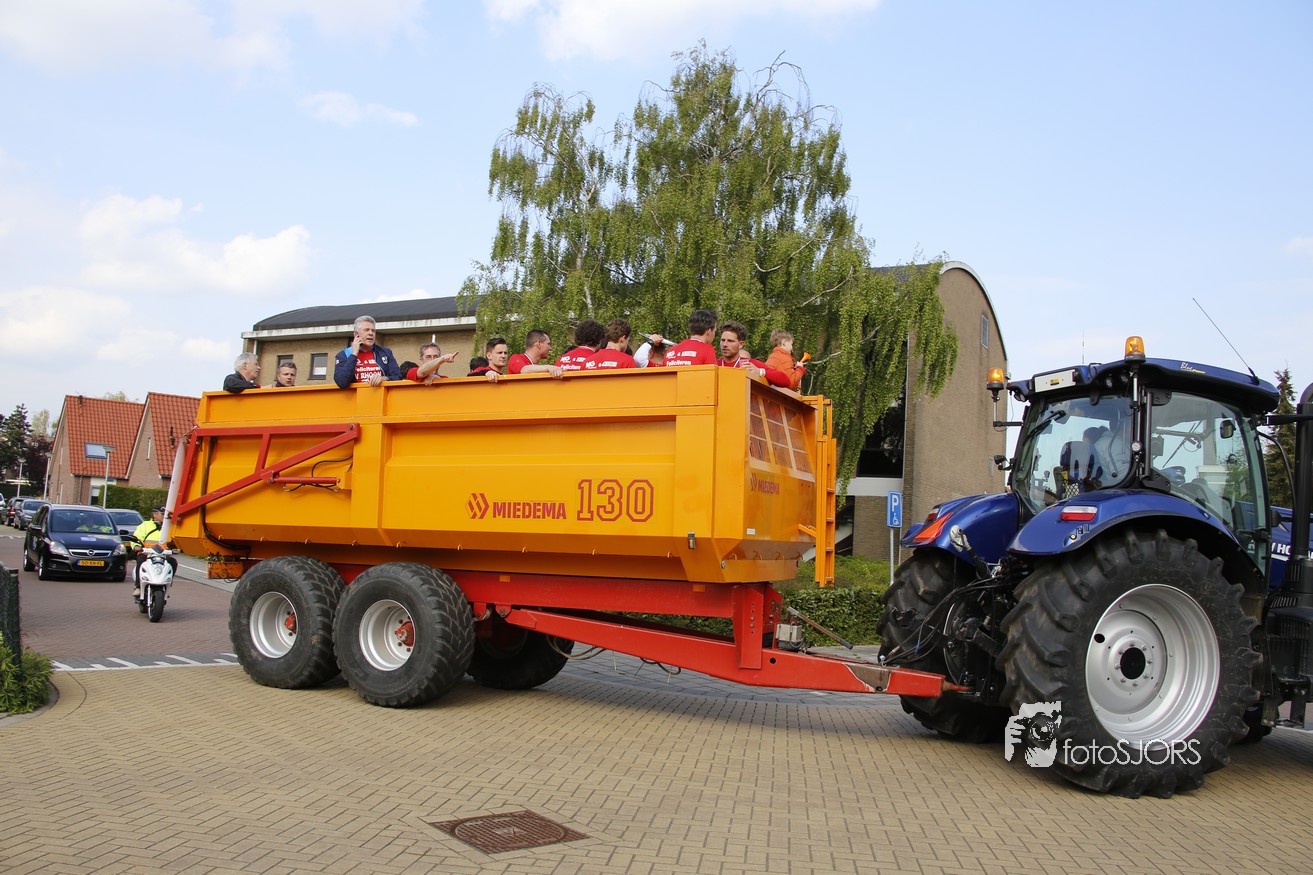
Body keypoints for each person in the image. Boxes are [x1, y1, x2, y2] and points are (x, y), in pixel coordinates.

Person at [333, 315, 402, 388]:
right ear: (356, 334)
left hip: (381, 394)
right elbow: (342, 382)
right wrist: (354, 354)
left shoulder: (385, 353)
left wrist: (384, 378)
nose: (371, 333)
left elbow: (398, 376)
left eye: (373, 330)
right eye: (366, 330)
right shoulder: (344, 355)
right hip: (357, 395)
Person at [717, 321, 790, 387]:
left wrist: (759, 371)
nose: (725, 344)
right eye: (722, 340)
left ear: (741, 344)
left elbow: (785, 381)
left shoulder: (749, 364)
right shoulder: (714, 364)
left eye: (730, 341)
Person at [131, 506, 175, 596]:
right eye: (162, 514)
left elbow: (175, 540)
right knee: (140, 560)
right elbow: (137, 537)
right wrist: (136, 546)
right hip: (147, 554)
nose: (165, 516)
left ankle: (167, 585)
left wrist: (176, 549)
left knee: (172, 562)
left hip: (163, 555)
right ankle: (138, 587)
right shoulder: (145, 525)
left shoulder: (170, 526)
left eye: (166, 514)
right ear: (155, 514)